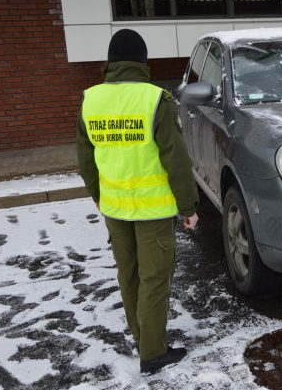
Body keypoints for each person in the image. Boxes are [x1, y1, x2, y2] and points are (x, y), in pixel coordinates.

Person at [76, 29, 199, 375]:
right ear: (143, 62)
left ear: (111, 63)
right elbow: (175, 158)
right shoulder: (154, 99)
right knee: (154, 279)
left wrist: (99, 197)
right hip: (153, 210)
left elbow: (86, 160)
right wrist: (188, 207)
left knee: (128, 277)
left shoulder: (90, 99)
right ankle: (153, 352)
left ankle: (143, 338)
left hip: (115, 208)